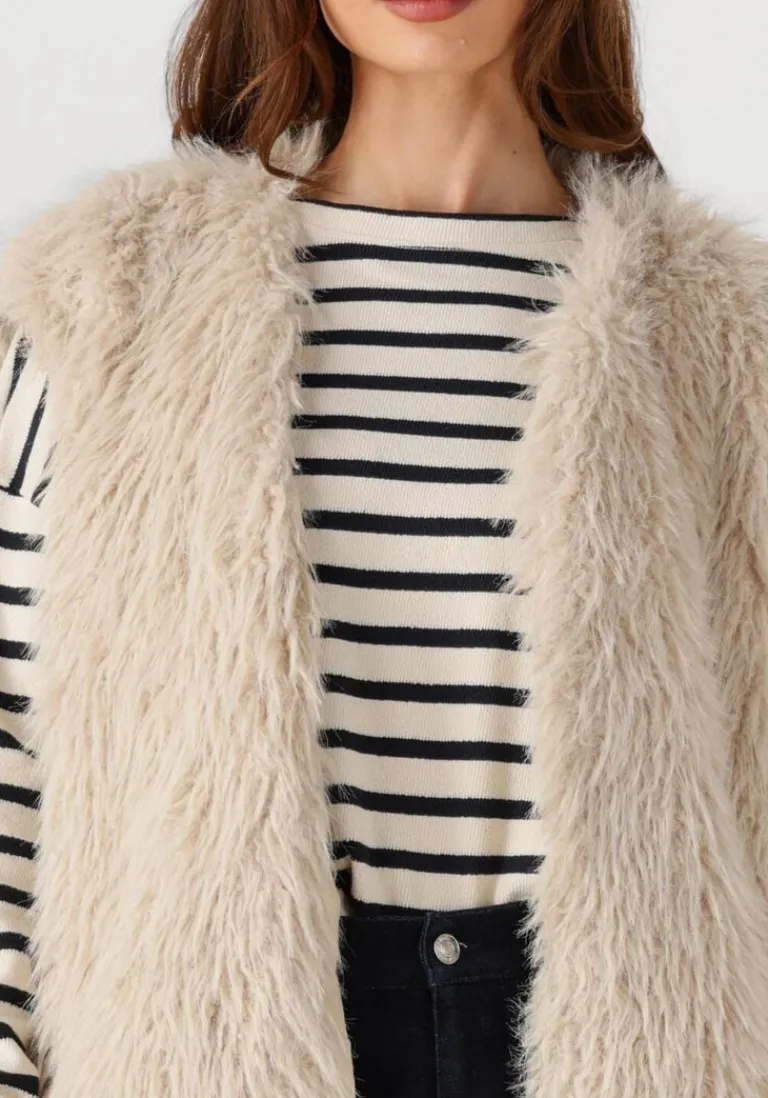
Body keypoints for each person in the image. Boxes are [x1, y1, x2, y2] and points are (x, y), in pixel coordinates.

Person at [0, 0, 767, 1096]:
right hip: (215, 1042)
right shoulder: (113, 296)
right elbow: (10, 751)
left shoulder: (726, 335)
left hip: (629, 1042)